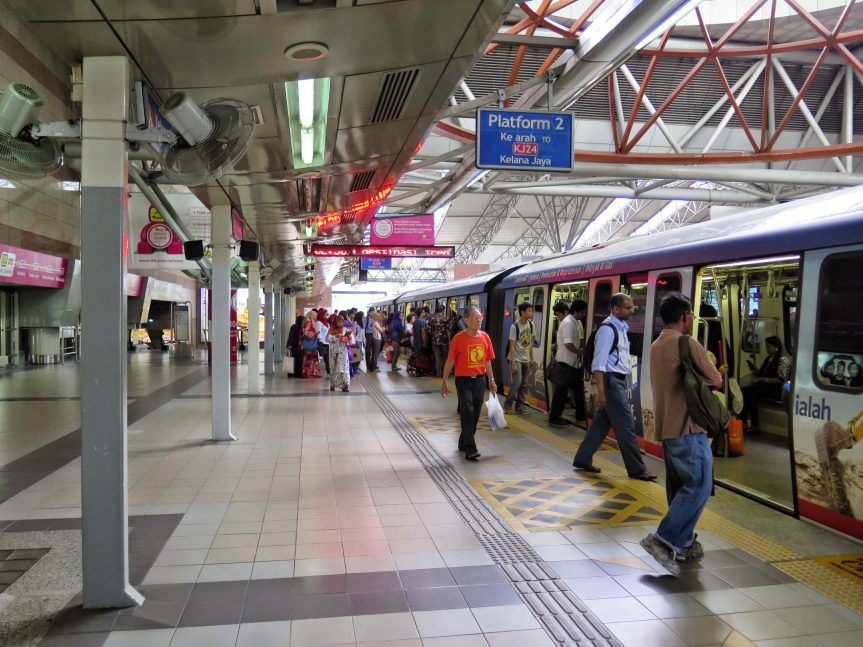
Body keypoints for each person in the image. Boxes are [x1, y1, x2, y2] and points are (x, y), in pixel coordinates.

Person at [640, 293, 724, 576]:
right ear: (686, 316)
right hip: (689, 428)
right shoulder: (687, 342)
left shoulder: (656, 344)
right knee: (699, 484)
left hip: (667, 428)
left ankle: (685, 542)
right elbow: (716, 379)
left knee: (679, 488)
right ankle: (661, 539)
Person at [573, 293, 657, 481]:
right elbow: (599, 364)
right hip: (610, 383)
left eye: (632, 306)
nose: (632, 310)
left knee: (601, 424)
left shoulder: (621, 328)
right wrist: (601, 392)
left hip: (616, 381)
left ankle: (583, 458)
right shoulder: (608, 330)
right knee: (626, 426)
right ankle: (637, 469)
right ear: (616, 309)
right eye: (628, 307)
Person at [440, 307, 497, 461]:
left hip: (480, 380)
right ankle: (470, 449)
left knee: (476, 414)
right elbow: (450, 361)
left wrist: (491, 380)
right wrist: (444, 381)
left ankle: (463, 441)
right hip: (463, 380)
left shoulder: (485, 337)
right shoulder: (458, 338)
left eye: (480, 317)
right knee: (468, 412)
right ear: (466, 320)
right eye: (474, 317)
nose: (478, 320)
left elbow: (487, 361)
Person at [741, 335, 790, 432]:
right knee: (743, 391)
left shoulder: (782, 360)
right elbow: (762, 373)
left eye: (769, 346)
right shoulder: (768, 359)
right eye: (766, 346)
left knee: (750, 394)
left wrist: (761, 379)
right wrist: (754, 369)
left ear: (776, 347)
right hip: (765, 387)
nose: (766, 348)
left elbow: (780, 379)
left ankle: (754, 424)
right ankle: (744, 421)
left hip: (775, 389)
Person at [548, 302, 580, 425]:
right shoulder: (568, 323)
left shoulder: (567, 323)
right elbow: (567, 343)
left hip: (567, 362)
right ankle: (555, 416)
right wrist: (578, 352)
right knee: (562, 391)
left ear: (565, 312)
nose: (558, 318)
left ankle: (577, 414)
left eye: (558, 315)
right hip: (566, 363)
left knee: (566, 390)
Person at [505, 302, 538, 415]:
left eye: (531, 311)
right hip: (516, 358)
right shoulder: (515, 326)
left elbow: (531, 343)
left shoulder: (532, 325)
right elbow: (512, 346)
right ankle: (508, 405)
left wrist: (532, 358)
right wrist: (513, 363)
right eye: (529, 311)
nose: (531, 313)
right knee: (517, 382)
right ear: (522, 312)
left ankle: (520, 406)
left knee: (524, 384)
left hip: (526, 359)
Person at [326, 315, 351, 392]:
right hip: (333, 352)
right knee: (334, 368)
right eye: (339, 322)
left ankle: (345, 385)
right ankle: (333, 384)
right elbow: (327, 339)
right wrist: (336, 336)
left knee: (344, 369)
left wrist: (348, 338)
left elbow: (350, 341)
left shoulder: (345, 329)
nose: (341, 324)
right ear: (336, 322)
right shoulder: (331, 329)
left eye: (342, 322)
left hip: (343, 352)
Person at [429, 305, 450, 377]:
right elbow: (448, 330)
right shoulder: (445, 318)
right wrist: (449, 340)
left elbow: (429, 330)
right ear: (443, 310)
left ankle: (438, 373)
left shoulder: (432, 318)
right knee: (445, 357)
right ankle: (444, 373)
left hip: (434, 340)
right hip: (444, 341)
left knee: (437, 357)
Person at [301, 311, 321, 378]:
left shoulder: (306, 322)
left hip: (308, 344)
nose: (316, 317)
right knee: (311, 359)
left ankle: (308, 373)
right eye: (315, 315)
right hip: (311, 344)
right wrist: (315, 333)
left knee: (309, 359)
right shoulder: (309, 323)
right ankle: (311, 373)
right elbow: (306, 334)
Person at [316, 308, 330, 375]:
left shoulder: (326, 322)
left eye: (327, 314)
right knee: (323, 358)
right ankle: (328, 370)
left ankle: (329, 370)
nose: (326, 315)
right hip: (322, 342)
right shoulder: (318, 322)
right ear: (322, 315)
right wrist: (320, 342)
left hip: (327, 342)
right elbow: (318, 333)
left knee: (327, 358)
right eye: (325, 314)